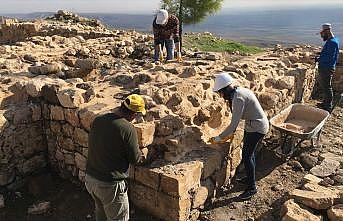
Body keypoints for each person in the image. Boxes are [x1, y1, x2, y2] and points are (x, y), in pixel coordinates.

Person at [85, 94, 146, 221]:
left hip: (90, 180)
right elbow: (136, 159)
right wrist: (147, 154)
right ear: (134, 114)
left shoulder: (98, 120)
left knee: (101, 213)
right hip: (109, 185)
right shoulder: (127, 128)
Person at [210, 72, 269, 200]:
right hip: (254, 125)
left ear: (225, 89)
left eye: (220, 92)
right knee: (250, 154)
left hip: (257, 128)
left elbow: (233, 125)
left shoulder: (238, 98)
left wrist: (218, 138)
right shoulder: (238, 91)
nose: (220, 95)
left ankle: (252, 188)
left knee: (247, 156)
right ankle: (250, 178)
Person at [316, 23, 340, 112]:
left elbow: (329, 57)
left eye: (322, 34)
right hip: (327, 66)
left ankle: (328, 106)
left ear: (327, 32)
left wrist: (318, 59)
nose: (322, 36)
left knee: (327, 87)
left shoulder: (332, 42)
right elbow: (329, 54)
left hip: (326, 67)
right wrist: (320, 54)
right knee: (325, 86)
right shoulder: (334, 40)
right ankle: (325, 103)